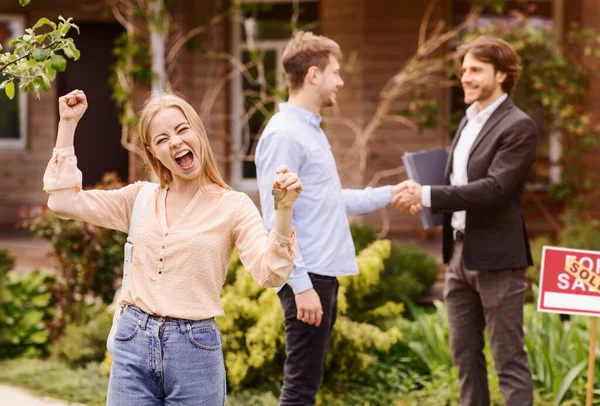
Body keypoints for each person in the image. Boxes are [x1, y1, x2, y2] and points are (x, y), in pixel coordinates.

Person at [43, 89, 302, 406]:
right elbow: (62, 201)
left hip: (194, 351)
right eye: (163, 139)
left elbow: (271, 273)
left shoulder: (234, 207)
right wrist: (67, 124)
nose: (176, 142)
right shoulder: (140, 198)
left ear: (198, 133)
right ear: (153, 151)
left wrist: (284, 210)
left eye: (182, 130)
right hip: (132, 342)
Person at [254, 31, 405, 405]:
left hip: (321, 274)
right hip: (308, 277)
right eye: (335, 72)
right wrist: (301, 283)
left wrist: (390, 194)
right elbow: (275, 214)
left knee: (307, 383)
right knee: (300, 388)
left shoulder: (310, 132)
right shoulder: (284, 134)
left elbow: (326, 201)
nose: (340, 81)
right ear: (313, 75)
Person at [394, 35, 536, 406]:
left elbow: (492, 190)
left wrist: (427, 195)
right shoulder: (467, 121)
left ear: (502, 75)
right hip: (458, 254)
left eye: (475, 70)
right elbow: (457, 182)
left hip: (498, 261)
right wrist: (421, 194)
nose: (465, 78)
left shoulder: (518, 126)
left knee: (508, 360)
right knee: (465, 359)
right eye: (463, 70)